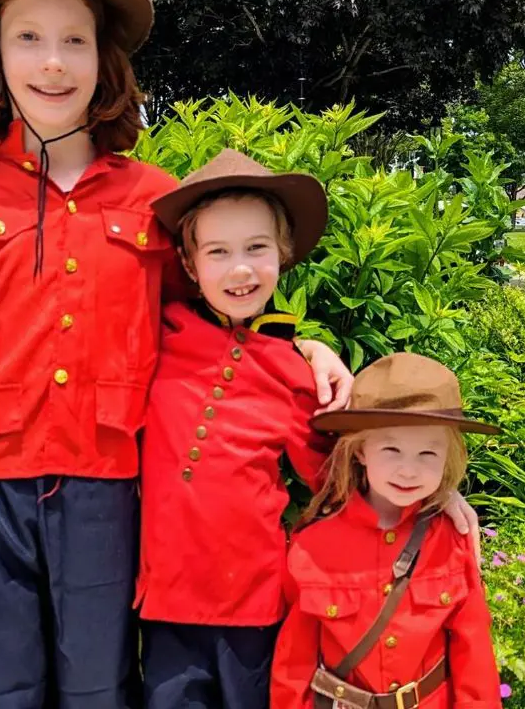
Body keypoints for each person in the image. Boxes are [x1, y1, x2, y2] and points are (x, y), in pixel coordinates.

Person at [0, 0, 355, 706]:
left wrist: (303, 343)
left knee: (99, 691)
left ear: (104, 58)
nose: (53, 64)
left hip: (109, 499)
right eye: (28, 38)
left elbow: (212, 317)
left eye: (74, 39)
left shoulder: (156, 200)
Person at [136, 149, 334, 709]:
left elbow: (335, 479)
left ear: (284, 254)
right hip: (166, 602)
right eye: (218, 252)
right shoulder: (160, 332)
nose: (240, 269)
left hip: (257, 602)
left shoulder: (295, 371)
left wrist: (433, 504)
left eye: (257, 248)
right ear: (190, 264)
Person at [270, 352, 503, 709]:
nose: (408, 470)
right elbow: (293, 664)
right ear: (361, 449)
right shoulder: (312, 546)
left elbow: (474, 656)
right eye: (392, 448)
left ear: (447, 458)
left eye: (428, 453)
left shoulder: (452, 539)